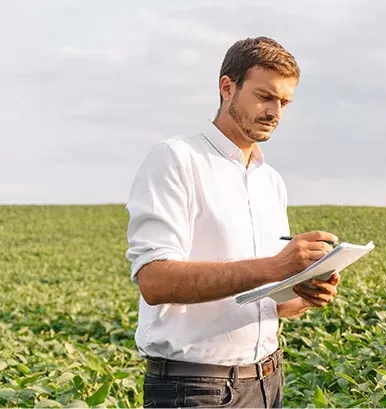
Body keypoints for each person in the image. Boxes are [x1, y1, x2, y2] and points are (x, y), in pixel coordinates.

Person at [125, 36, 341, 408]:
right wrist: (277, 265)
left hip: (267, 380)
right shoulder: (177, 159)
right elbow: (154, 280)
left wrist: (301, 295)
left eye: (284, 102)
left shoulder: (269, 180)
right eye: (264, 96)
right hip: (194, 387)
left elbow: (260, 300)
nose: (275, 111)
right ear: (228, 87)